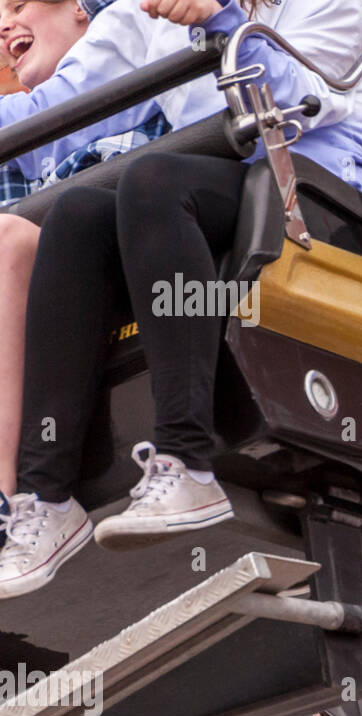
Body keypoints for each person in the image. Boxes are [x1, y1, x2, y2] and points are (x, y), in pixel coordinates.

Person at [0, 0, 362, 596]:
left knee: (151, 179)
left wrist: (218, 19)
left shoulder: (333, 5)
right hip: (192, 196)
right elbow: (57, 118)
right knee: (75, 213)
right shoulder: (144, 14)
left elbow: (292, 106)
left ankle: (187, 459)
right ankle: (47, 499)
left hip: (306, 192)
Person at [0, 0, 173, 542]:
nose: (4, 25)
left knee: (10, 238)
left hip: (126, 275)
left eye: (20, 3)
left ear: (82, 8)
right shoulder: (21, 151)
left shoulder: (150, 71)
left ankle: (5, 496)